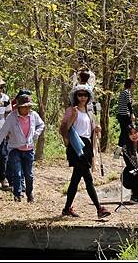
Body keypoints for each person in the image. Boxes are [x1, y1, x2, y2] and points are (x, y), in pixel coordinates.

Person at [60, 85, 111, 219]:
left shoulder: (89, 111)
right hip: (76, 146)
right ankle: (99, 208)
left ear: (88, 97)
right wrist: (73, 117)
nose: (82, 97)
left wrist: (97, 129)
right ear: (75, 96)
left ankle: (66, 209)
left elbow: (90, 129)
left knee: (75, 180)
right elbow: (64, 129)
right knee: (88, 178)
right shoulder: (71, 110)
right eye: (79, 95)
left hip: (87, 146)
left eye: (85, 95)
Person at [0, 93, 44, 202]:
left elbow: (41, 124)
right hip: (15, 149)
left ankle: (29, 194)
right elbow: (2, 133)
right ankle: (17, 194)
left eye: (29, 106)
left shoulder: (33, 115)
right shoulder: (12, 117)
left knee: (29, 175)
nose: (27, 109)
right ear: (19, 107)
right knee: (17, 173)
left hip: (29, 150)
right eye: (24, 107)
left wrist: (36, 134)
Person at [3, 89, 32, 193]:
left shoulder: (29, 109)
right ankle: (10, 179)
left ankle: (21, 184)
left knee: (23, 164)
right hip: (12, 139)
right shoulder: (13, 106)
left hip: (24, 142)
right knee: (11, 161)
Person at [116, 78, 136, 148]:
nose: (134, 86)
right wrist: (132, 114)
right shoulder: (127, 92)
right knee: (126, 132)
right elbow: (129, 104)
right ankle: (121, 149)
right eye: (133, 84)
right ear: (130, 84)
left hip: (121, 115)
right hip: (125, 115)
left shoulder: (123, 92)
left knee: (124, 132)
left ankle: (122, 149)